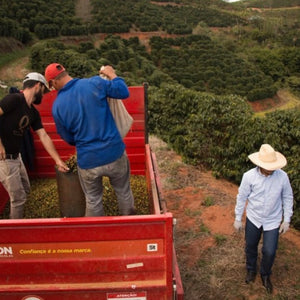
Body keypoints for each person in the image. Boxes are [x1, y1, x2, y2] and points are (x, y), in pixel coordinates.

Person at [44, 63, 135, 216]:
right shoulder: (94, 83)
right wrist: (112, 74)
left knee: (93, 200)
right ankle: (131, 229)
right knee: (124, 193)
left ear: (52, 82)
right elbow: (123, 91)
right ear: (65, 73)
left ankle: (98, 236)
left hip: (88, 160)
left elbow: (68, 138)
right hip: (114, 153)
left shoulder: (57, 106)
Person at [0, 72, 69, 219]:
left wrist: (58, 161)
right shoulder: (14, 100)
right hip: (4, 159)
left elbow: (43, 135)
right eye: (43, 91)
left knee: (25, 189)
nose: (43, 96)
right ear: (37, 85)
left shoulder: (33, 112)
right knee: (18, 198)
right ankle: (14, 233)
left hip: (16, 157)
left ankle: (17, 220)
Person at [233, 144, 293, 294]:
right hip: (254, 217)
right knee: (251, 246)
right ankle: (251, 270)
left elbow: (287, 197)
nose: (271, 169)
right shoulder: (249, 176)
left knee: (270, 251)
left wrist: (287, 219)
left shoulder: (282, 177)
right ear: (260, 164)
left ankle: (265, 274)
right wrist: (238, 218)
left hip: (273, 220)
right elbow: (242, 197)